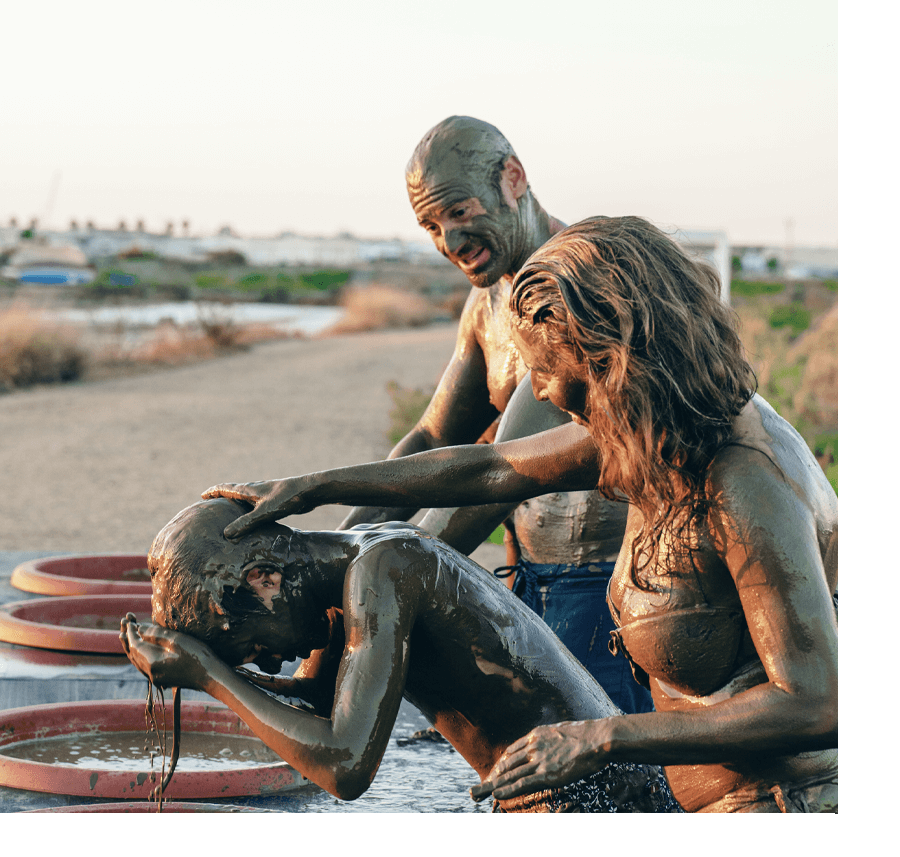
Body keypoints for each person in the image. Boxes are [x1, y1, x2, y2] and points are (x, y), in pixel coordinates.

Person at [205, 216, 839, 813]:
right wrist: (315, 487)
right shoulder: (659, 427)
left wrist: (601, 738)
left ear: (611, 359)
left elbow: (816, 703)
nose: (539, 392)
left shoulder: (744, 480)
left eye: (547, 369)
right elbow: (491, 468)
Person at [337, 115, 650, 713]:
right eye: (431, 225)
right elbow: (431, 436)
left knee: (611, 786)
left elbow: (499, 474)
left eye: (458, 212)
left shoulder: (582, 281)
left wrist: (378, 580)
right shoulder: (489, 302)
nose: (449, 242)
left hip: (617, 592)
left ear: (513, 178)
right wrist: (336, 548)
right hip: (529, 584)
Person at [119, 497, 680, 813]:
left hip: (597, 798)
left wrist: (213, 676)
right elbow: (318, 707)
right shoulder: (342, 570)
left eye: (253, 647)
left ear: (265, 580)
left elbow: (345, 766)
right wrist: (202, 670)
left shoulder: (385, 568)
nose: (267, 665)